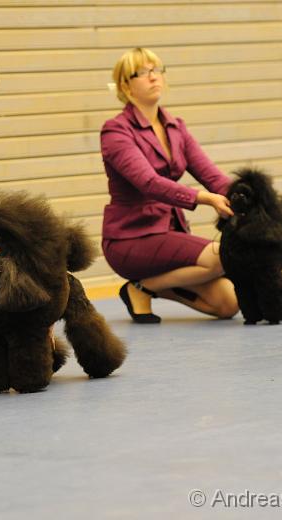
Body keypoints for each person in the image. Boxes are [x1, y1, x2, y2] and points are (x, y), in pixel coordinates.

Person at [100, 47, 239, 323]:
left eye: (157, 70)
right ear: (126, 86)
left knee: (228, 304)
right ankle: (141, 287)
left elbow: (214, 177)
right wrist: (206, 198)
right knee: (225, 255)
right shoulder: (115, 131)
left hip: (170, 231)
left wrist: (265, 206)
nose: (153, 77)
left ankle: (146, 287)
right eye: (142, 72)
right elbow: (149, 183)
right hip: (131, 238)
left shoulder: (176, 126)